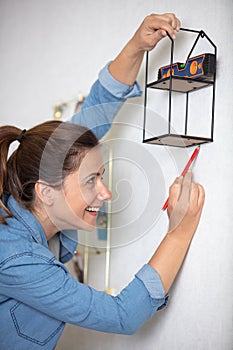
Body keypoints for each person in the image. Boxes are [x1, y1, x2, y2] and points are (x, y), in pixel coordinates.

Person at [0, 13, 205, 350]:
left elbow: (97, 109)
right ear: (45, 193)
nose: (106, 193)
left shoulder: (37, 187)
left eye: (102, 176)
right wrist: (179, 231)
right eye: (91, 181)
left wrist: (137, 46)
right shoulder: (16, 257)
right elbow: (121, 315)